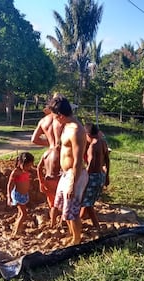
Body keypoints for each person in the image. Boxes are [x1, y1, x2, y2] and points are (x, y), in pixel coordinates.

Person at [48, 94, 88, 245]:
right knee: (65, 209)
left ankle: (76, 239)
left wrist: (72, 182)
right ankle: (72, 235)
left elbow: (78, 161)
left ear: (60, 115)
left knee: (73, 211)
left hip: (74, 175)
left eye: (54, 114)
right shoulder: (66, 126)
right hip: (66, 174)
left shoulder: (77, 130)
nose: (53, 117)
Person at [31, 103, 63, 227]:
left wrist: (50, 145)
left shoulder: (43, 121)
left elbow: (34, 139)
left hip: (49, 156)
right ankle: (62, 219)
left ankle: (53, 221)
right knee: (64, 196)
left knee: (52, 201)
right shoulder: (61, 119)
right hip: (60, 154)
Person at [80, 123, 110, 229]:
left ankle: (96, 226)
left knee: (87, 203)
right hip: (100, 176)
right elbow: (107, 159)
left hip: (93, 177)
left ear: (88, 135)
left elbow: (91, 164)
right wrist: (107, 176)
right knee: (87, 200)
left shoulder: (92, 146)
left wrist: (83, 178)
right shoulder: (103, 142)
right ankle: (81, 216)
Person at [6, 152, 35, 237]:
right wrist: (8, 197)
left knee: (20, 214)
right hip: (17, 195)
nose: (28, 168)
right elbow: (9, 185)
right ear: (20, 163)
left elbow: (35, 171)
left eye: (30, 166)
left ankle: (17, 228)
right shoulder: (16, 172)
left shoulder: (27, 170)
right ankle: (16, 233)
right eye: (27, 166)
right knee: (24, 214)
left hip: (24, 195)